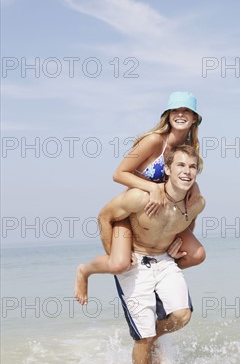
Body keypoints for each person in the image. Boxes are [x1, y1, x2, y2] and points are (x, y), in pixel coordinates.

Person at [74, 91, 205, 305]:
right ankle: (84, 271)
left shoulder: (189, 149)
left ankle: (159, 275)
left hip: (162, 213)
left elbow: (181, 178)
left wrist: (196, 186)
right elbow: (119, 173)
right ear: (168, 115)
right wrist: (151, 188)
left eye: (187, 111)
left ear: (194, 119)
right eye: (176, 110)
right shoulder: (154, 141)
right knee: (119, 264)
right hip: (134, 209)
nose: (181, 114)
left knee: (196, 254)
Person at [98, 145, 205, 364]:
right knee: (143, 338)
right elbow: (105, 216)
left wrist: (177, 244)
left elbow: (185, 224)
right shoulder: (141, 197)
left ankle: (152, 337)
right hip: (135, 263)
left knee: (182, 316)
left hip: (164, 260)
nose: (187, 171)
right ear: (166, 168)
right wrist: (115, 256)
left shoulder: (197, 203)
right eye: (180, 165)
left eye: (192, 166)